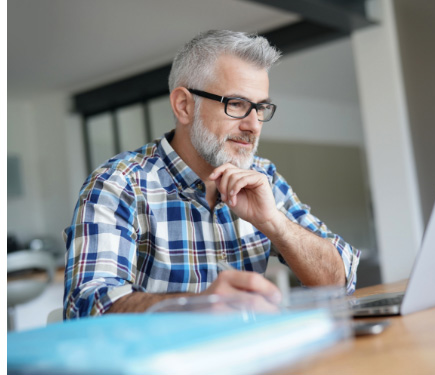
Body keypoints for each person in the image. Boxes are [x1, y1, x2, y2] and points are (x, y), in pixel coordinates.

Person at [63, 30, 361, 318]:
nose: (254, 125)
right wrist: (197, 307)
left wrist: (274, 223)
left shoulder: (262, 176)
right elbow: (86, 307)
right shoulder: (119, 183)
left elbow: (341, 280)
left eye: (261, 108)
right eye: (237, 104)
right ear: (184, 106)